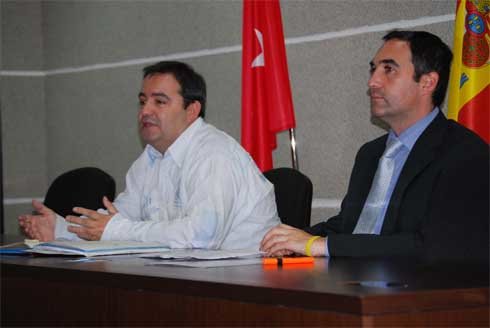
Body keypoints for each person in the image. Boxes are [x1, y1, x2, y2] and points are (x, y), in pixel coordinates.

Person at [261, 30, 489, 262]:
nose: (373, 82)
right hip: (351, 282)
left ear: (427, 82)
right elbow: (349, 225)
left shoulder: (464, 154)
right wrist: (287, 240)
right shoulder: (371, 154)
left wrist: (318, 245)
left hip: (416, 292)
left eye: (388, 70)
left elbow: (433, 245)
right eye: (374, 69)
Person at [19, 61, 280, 250]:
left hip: (247, 287)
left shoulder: (214, 154)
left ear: (192, 110)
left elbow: (201, 237)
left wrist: (115, 228)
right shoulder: (149, 159)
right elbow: (117, 218)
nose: (145, 111)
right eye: (143, 101)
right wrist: (61, 229)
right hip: (187, 281)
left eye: (160, 102)